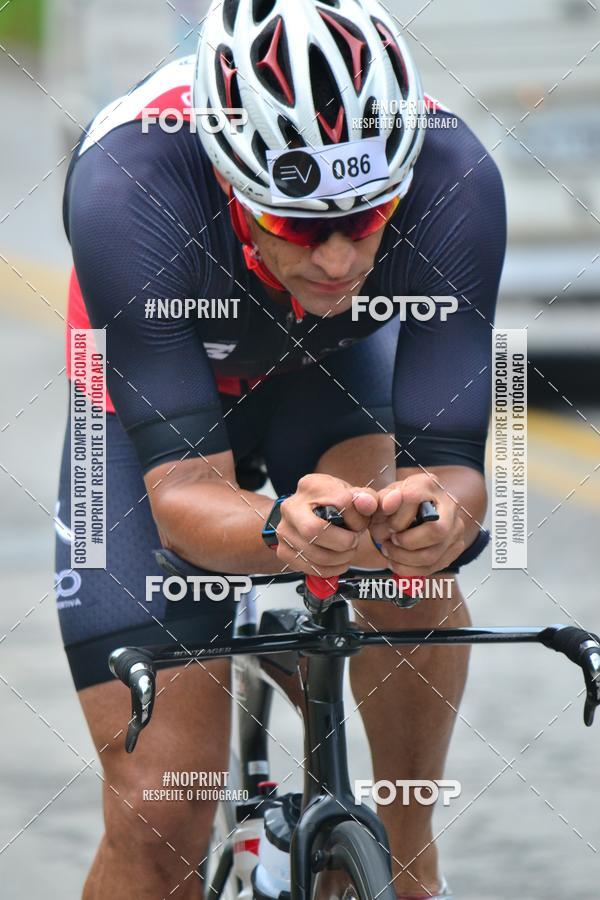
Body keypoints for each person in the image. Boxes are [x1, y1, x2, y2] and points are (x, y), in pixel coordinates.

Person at [55, 0, 506, 896]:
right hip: (149, 410)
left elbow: (450, 460)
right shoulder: (126, 183)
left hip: (324, 374)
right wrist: (278, 535)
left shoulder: (455, 174)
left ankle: (406, 850)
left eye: (369, 218)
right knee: (159, 820)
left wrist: (441, 512)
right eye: (300, 225)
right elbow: (183, 490)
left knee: (405, 562)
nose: (339, 260)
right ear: (229, 177)